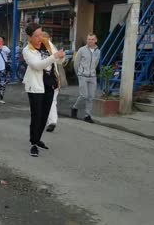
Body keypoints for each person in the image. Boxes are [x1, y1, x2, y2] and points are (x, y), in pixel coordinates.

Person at [23, 23, 65, 157]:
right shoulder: (27, 50)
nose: (39, 38)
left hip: (49, 84)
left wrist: (61, 56)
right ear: (29, 37)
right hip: (35, 86)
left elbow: (58, 61)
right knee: (36, 116)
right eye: (36, 35)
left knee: (45, 115)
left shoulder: (47, 43)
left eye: (40, 34)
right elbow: (37, 65)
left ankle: (37, 139)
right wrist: (54, 56)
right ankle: (33, 144)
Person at [71, 33, 100, 124]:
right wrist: (79, 74)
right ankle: (74, 108)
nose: (90, 41)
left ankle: (87, 116)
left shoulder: (98, 51)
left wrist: (93, 72)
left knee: (91, 97)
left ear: (95, 40)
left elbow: (96, 63)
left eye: (92, 39)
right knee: (84, 95)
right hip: (82, 75)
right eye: (88, 39)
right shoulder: (81, 50)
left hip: (92, 76)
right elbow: (76, 63)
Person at [41, 32, 65, 133]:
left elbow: (60, 60)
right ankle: (50, 121)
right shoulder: (35, 48)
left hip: (51, 79)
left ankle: (51, 122)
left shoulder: (50, 47)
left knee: (50, 101)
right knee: (49, 102)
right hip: (44, 79)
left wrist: (61, 56)